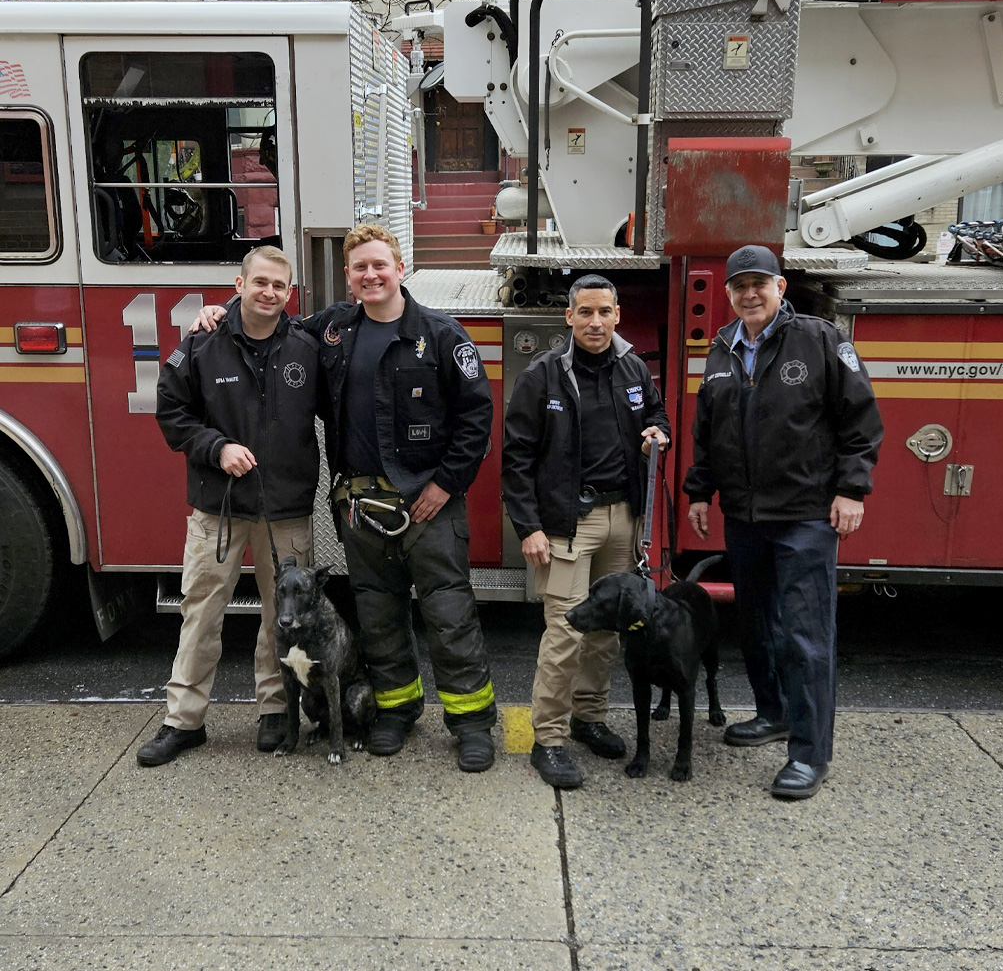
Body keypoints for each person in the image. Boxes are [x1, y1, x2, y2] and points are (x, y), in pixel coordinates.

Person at [684, 244, 883, 799]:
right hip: (745, 517)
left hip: (804, 517)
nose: (750, 294)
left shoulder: (820, 340)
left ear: (780, 287)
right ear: (727, 293)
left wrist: (851, 489)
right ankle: (772, 714)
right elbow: (708, 430)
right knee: (755, 628)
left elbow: (861, 421)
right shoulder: (723, 348)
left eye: (760, 284)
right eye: (740, 285)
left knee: (805, 636)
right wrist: (700, 491)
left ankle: (810, 755)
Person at [305, 223, 498, 772]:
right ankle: (396, 710)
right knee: (379, 615)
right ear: (348, 276)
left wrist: (445, 484)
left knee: (449, 615)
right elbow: (269, 323)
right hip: (360, 506)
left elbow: (476, 419)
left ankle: (471, 725)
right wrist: (221, 310)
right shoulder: (335, 331)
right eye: (360, 268)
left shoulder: (441, 335)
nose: (371, 275)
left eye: (379, 265)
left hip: (426, 503)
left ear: (400, 269)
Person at [137, 245, 320, 766]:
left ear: (290, 293)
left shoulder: (306, 346)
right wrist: (216, 448)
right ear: (238, 286)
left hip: (284, 507)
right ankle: (183, 721)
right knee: (201, 611)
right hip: (217, 506)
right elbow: (171, 412)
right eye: (259, 282)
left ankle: (275, 712)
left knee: (282, 616)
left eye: (279, 286)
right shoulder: (200, 343)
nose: (269, 293)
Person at [503, 274, 671, 788]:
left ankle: (589, 717)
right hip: (567, 526)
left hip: (623, 519)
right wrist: (528, 527)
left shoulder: (634, 368)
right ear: (568, 318)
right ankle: (548, 739)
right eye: (585, 313)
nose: (595, 322)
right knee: (565, 633)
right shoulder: (543, 375)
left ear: (618, 315)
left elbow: (657, 413)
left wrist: (656, 432)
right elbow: (516, 458)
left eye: (604, 312)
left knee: (605, 634)